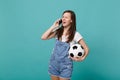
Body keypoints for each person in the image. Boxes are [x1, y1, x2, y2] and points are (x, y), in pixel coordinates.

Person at [41, 10, 89, 80]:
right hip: (54, 63)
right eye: (63, 17)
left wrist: (82, 58)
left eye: (66, 17)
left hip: (66, 65)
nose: (63, 18)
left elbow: (86, 48)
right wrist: (53, 26)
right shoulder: (58, 32)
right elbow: (43, 37)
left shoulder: (75, 34)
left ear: (71, 20)